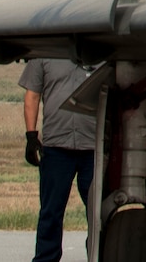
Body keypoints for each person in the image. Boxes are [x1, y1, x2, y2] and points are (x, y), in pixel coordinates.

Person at [21, 57, 101, 262]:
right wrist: (31, 136)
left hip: (93, 147)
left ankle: (101, 256)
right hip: (56, 147)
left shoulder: (102, 52)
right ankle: (46, 259)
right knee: (51, 211)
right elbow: (32, 95)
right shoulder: (44, 53)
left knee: (99, 213)